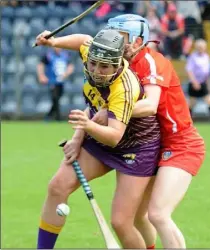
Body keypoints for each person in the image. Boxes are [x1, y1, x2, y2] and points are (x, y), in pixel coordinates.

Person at [35, 28, 160, 249]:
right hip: (99, 137)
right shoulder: (95, 53)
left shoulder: (124, 87)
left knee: (121, 222)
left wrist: (86, 125)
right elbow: (83, 40)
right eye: (93, 64)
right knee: (57, 187)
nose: (96, 71)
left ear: (117, 63)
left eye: (104, 67)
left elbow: (114, 136)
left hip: (137, 147)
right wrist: (53, 42)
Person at [105, 14, 205, 249]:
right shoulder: (121, 67)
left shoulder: (151, 61)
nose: (113, 43)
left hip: (181, 145)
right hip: (154, 147)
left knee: (158, 214)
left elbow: (149, 105)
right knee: (139, 216)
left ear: (138, 41)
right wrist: (55, 42)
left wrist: (111, 109)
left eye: (120, 37)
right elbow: (85, 44)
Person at [186, 39, 210, 122]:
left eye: (202, 47)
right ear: (196, 47)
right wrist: (194, 82)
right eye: (199, 47)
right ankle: (187, 120)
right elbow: (189, 70)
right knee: (191, 103)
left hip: (203, 83)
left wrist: (209, 84)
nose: (201, 48)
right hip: (194, 83)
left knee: (209, 100)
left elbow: (207, 72)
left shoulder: (206, 57)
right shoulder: (193, 57)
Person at [37, 47, 74, 121]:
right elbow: (40, 65)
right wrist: (41, 76)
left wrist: (66, 74)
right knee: (55, 98)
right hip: (52, 81)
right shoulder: (48, 55)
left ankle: (48, 116)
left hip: (61, 81)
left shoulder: (65, 55)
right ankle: (58, 117)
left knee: (57, 98)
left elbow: (70, 66)